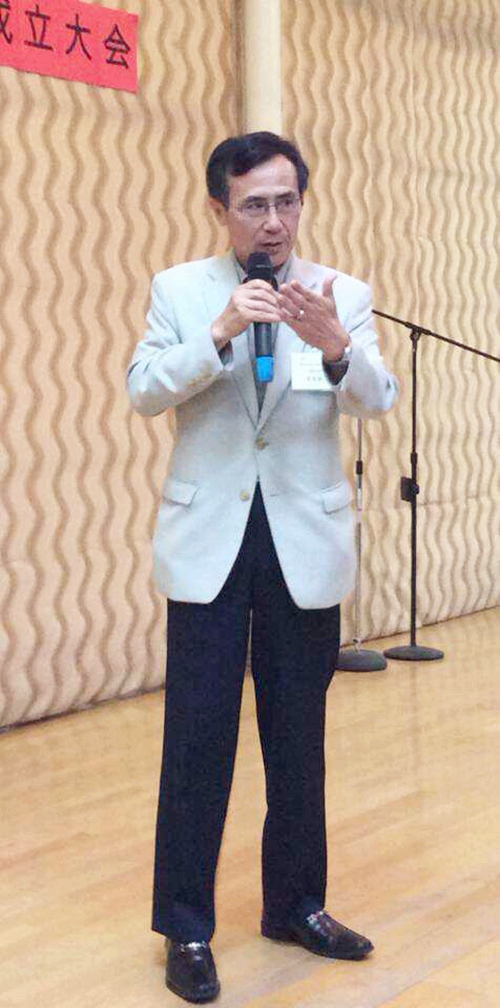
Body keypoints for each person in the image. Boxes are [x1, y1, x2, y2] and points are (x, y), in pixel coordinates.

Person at [126, 131, 398, 1004]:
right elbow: (144, 390)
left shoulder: (341, 293)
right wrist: (220, 330)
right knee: (197, 739)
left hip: (301, 542)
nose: (273, 221)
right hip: (210, 540)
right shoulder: (181, 290)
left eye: (286, 202)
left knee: (297, 738)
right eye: (254, 205)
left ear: (301, 203)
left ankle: (296, 906)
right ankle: (186, 927)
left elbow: (379, 399)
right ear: (221, 209)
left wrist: (337, 347)